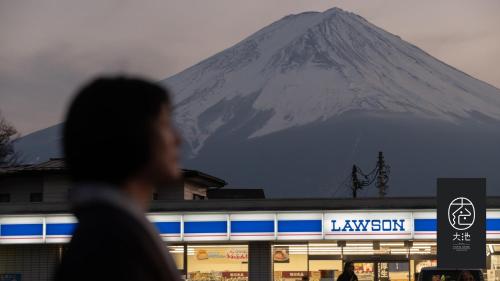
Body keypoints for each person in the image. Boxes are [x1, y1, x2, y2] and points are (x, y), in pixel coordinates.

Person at [55, 77, 182, 281]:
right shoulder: (111, 241)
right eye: (165, 124)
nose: (178, 139)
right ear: (133, 133)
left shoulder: (104, 229)